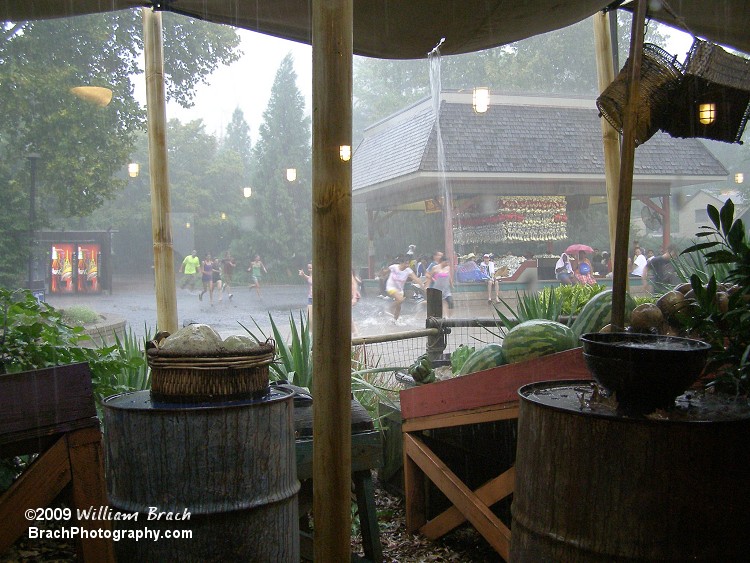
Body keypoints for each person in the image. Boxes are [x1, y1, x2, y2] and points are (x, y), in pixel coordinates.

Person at [386, 255, 425, 324]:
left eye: (408, 264)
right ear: (401, 263)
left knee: (399, 306)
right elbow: (386, 270)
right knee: (400, 299)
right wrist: (383, 273)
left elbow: (415, 278)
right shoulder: (394, 267)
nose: (407, 265)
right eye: (406, 263)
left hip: (400, 289)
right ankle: (390, 308)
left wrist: (423, 287)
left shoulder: (408, 270)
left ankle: (394, 321)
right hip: (391, 287)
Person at [299, 262, 313, 329]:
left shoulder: (317, 275)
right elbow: (309, 279)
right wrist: (303, 274)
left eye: (311, 268)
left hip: (316, 297)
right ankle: (310, 329)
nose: (309, 269)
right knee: (309, 314)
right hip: (310, 297)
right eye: (308, 268)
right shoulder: (310, 275)